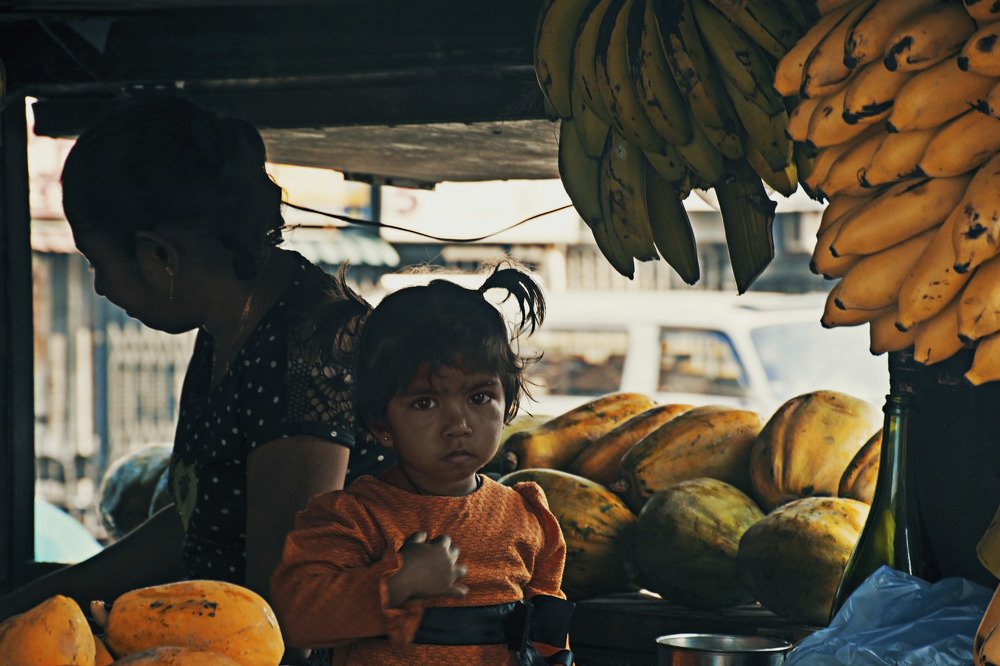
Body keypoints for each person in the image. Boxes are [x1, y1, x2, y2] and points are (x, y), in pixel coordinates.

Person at [0, 95, 396, 644]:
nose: (99, 286)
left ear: (160, 255)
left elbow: (279, 611)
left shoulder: (310, 350)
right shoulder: (230, 320)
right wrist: (31, 602)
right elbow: (201, 516)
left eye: (97, 262)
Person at [269, 266, 576, 665]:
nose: (458, 426)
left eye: (480, 397)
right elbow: (295, 619)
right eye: (425, 403)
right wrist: (396, 584)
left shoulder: (527, 515)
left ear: (509, 406)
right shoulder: (352, 518)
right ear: (381, 425)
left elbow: (549, 636)